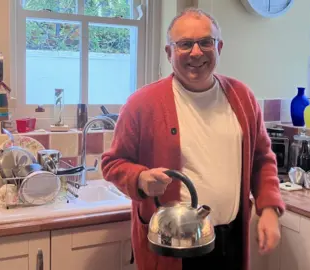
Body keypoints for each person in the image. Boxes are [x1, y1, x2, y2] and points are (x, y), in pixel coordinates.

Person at [101, 7, 285, 270]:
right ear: (169, 53)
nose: (196, 52)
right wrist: (141, 178)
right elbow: (113, 164)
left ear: (219, 46)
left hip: (230, 240)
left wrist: (268, 209)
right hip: (173, 246)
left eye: (205, 42)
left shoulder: (242, 97)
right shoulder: (142, 103)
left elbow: (262, 160)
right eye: (185, 44)